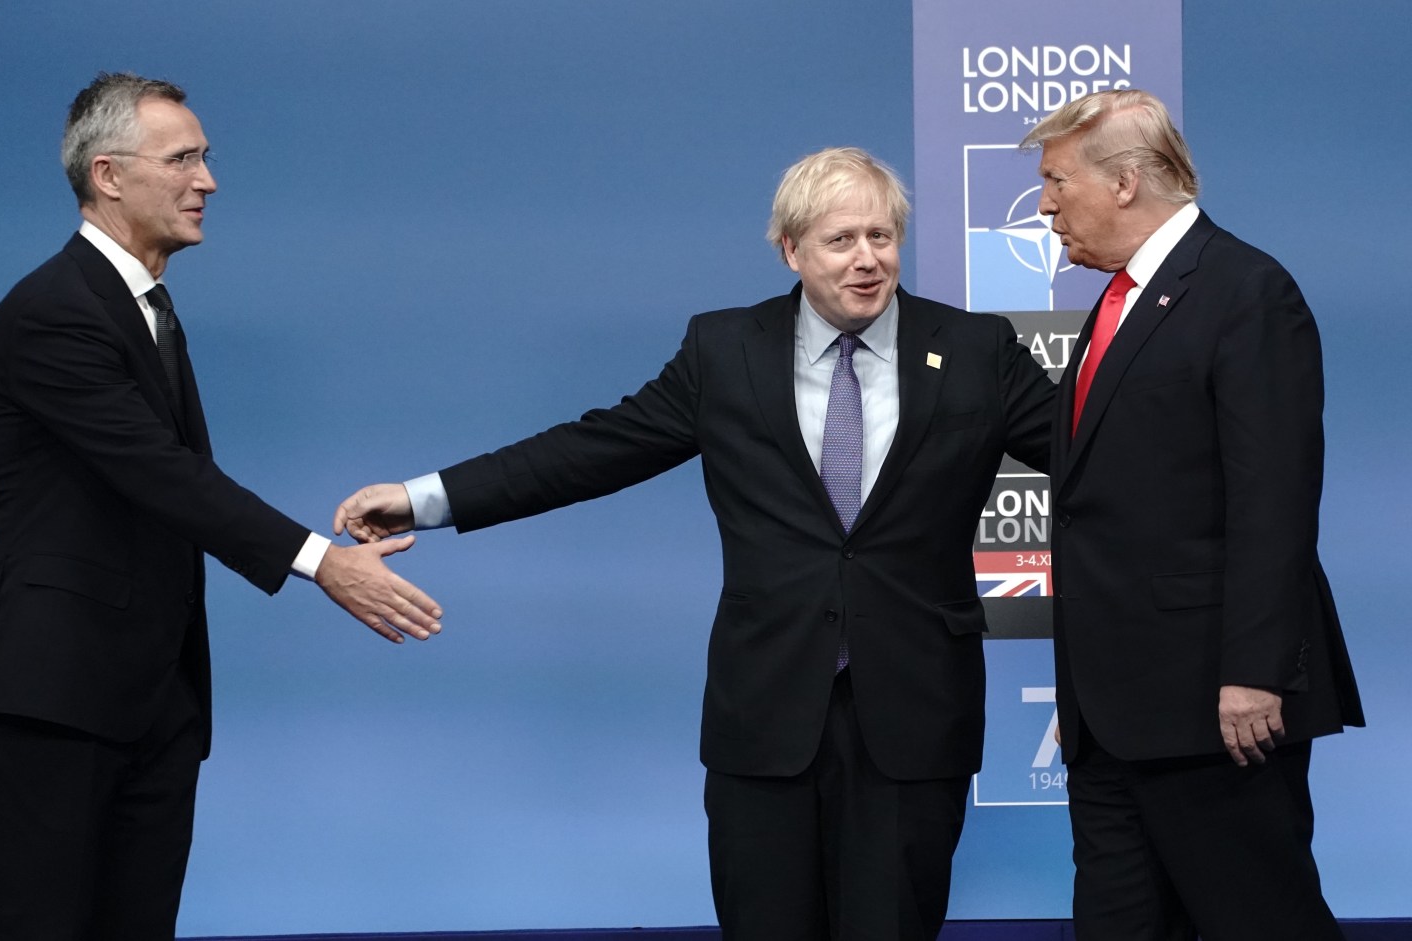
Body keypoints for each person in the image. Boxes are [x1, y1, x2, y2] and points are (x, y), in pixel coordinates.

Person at [334, 146, 1056, 939]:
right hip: (765, 716)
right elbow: (592, 450)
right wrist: (422, 499)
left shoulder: (976, 350)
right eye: (841, 240)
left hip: (914, 718)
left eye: (882, 238)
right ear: (790, 248)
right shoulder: (725, 351)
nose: (867, 260)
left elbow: (1095, 454)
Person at [0, 72, 444, 940]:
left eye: (207, 158)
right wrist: (321, 563)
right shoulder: (52, 313)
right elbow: (162, 474)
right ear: (108, 175)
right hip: (58, 695)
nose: (208, 181)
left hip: (155, 697)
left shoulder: (146, 306)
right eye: (183, 158)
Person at [1020, 89, 1364, 940]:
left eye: (1058, 181)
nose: (1047, 205)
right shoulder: (1119, 301)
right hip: (1112, 717)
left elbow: (1273, 498)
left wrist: (1251, 671)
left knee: (1259, 919)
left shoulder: (1245, 289)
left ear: (1128, 182)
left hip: (1217, 710)